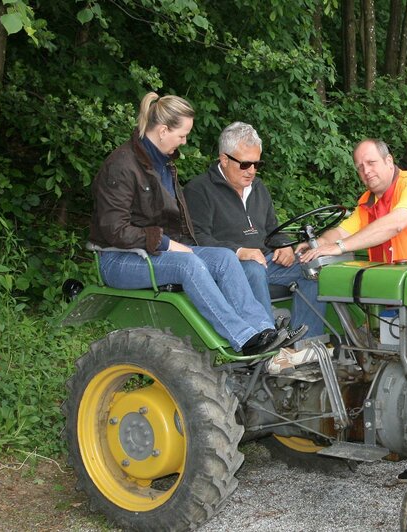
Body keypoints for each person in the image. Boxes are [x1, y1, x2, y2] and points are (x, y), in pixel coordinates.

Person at [89, 92, 302, 357]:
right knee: (187, 263)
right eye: (182, 135)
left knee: (225, 258)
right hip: (120, 258)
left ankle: (263, 331)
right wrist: (167, 243)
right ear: (164, 130)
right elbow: (115, 230)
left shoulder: (164, 164)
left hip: (156, 252)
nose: (185, 141)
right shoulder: (121, 165)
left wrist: (180, 244)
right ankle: (244, 338)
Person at [184, 122, 326, 341]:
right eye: (245, 164)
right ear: (224, 159)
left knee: (314, 265)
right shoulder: (199, 190)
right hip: (228, 268)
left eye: (257, 164)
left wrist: (285, 245)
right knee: (252, 268)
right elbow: (197, 238)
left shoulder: (258, 187)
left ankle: (304, 346)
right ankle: (266, 344)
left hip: (266, 260)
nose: (251, 171)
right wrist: (239, 251)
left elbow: (271, 229)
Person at [299, 139, 407, 266]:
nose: (366, 171)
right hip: (401, 288)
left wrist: (339, 247)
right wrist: (320, 243)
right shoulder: (368, 201)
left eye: (371, 163)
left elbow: (394, 224)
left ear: (388, 161)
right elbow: (342, 232)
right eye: (360, 167)